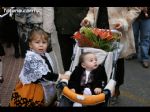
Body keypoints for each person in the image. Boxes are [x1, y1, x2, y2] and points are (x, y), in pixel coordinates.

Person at [80, 7, 141, 102]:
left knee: (117, 63)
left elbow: (135, 9)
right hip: (98, 32)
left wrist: (124, 22)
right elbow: (91, 11)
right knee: (99, 62)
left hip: (117, 32)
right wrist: (88, 20)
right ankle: (99, 88)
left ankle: (116, 89)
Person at [9, 27, 69, 107]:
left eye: (44, 42)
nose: (41, 45)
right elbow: (44, 75)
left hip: (43, 86)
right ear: (30, 44)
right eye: (37, 42)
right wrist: (61, 76)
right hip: (32, 89)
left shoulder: (44, 54)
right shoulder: (32, 58)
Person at [15, 7, 64, 73]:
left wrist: (46, 32)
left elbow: (48, 9)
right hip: (25, 28)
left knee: (50, 56)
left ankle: (56, 77)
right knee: (32, 57)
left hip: (42, 26)